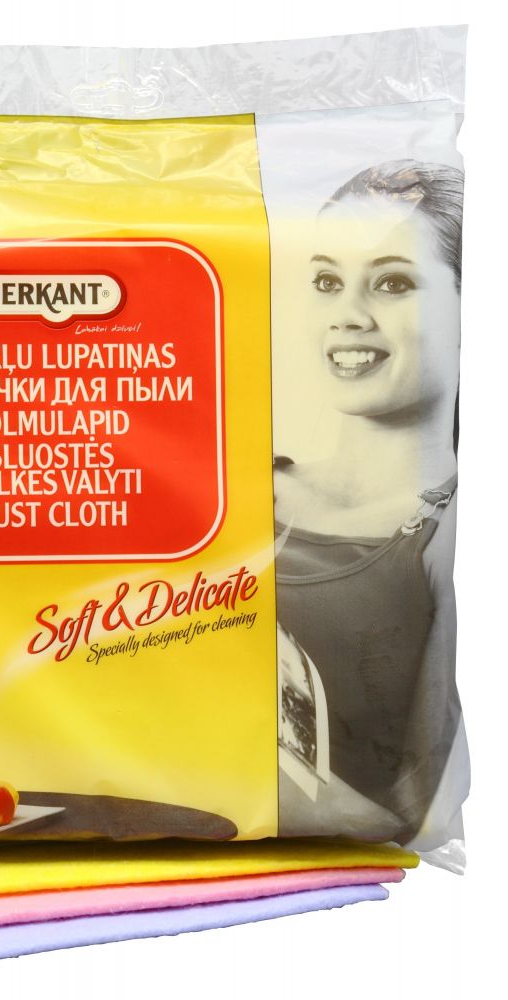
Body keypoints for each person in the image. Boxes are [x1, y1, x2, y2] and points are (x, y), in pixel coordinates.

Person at [274, 159, 464, 844]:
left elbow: (422, 820)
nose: (348, 316)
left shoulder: (454, 536)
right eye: (327, 282)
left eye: (393, 283)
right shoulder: (235, 483)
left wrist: (260, 774)